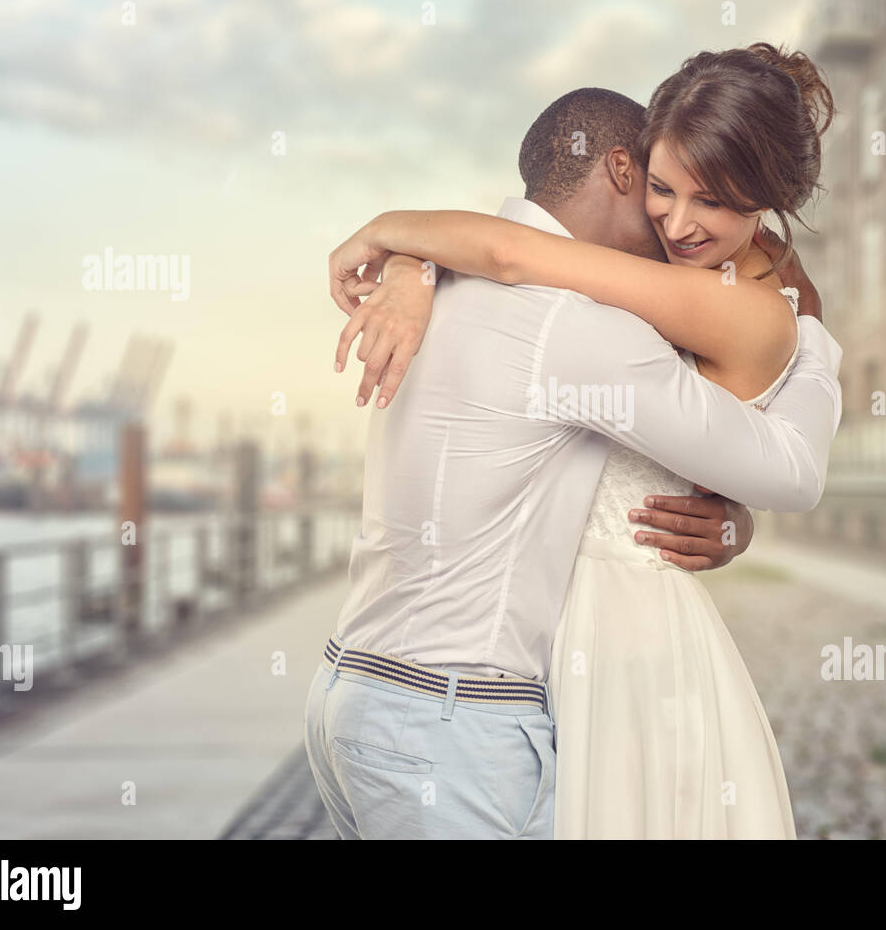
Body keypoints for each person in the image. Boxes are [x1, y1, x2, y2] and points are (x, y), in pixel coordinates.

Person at [308, 51, 841, 839]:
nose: (677, 225)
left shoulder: (454, 284)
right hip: (459, 720)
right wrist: (403, 253)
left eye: (713, 201)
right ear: (626, 168)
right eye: (664, 189)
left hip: (362, 693)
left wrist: (404, 247)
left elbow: (505, 251)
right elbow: (513, 255)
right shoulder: (581, 323)